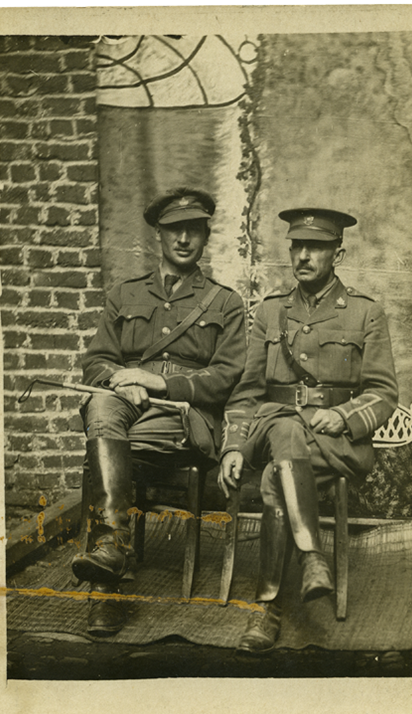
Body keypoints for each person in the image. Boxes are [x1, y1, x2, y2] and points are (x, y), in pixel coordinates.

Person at [218, 207, 398, 653]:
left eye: (315, 247)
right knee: (283, 428)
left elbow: (383, 393)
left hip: (335, 441)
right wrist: (234, 445)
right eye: (297, 246)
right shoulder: (270, 311)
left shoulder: (364, 312)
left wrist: (344, 416)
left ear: (338, 251)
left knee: (276, 472)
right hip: (275, 425)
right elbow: (246, 393)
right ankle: (312, 558)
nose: (303, 255)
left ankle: (268, 609)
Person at [72, 187, 246, 636]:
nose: (184, 238)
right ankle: (112, 553)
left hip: (186, 417)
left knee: (104, 452)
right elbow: (95, 361)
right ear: (159, 236)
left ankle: (106, 588)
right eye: (174, 229)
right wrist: (118, 380)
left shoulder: (225, 303)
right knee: (102, 406)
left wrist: (160, 382)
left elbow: (227, 376)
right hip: (128, 406)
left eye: (194, 230)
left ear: (206, 237)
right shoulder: (125, 294)